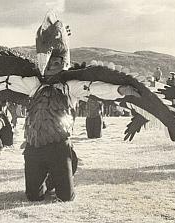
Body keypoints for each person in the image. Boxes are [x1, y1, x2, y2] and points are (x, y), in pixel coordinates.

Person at [20, 12, 140, 202]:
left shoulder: (70, 87)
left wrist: (120, 90)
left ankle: (68, 164)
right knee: (33, 196)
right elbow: (8, 83)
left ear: (63, 63)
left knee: (66, 197)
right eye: (49, 63)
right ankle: (48, 180)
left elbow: (94, 88)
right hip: (34, 147)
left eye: (57, 62)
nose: (51, 66)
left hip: (59, 146)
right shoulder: (34, 85)